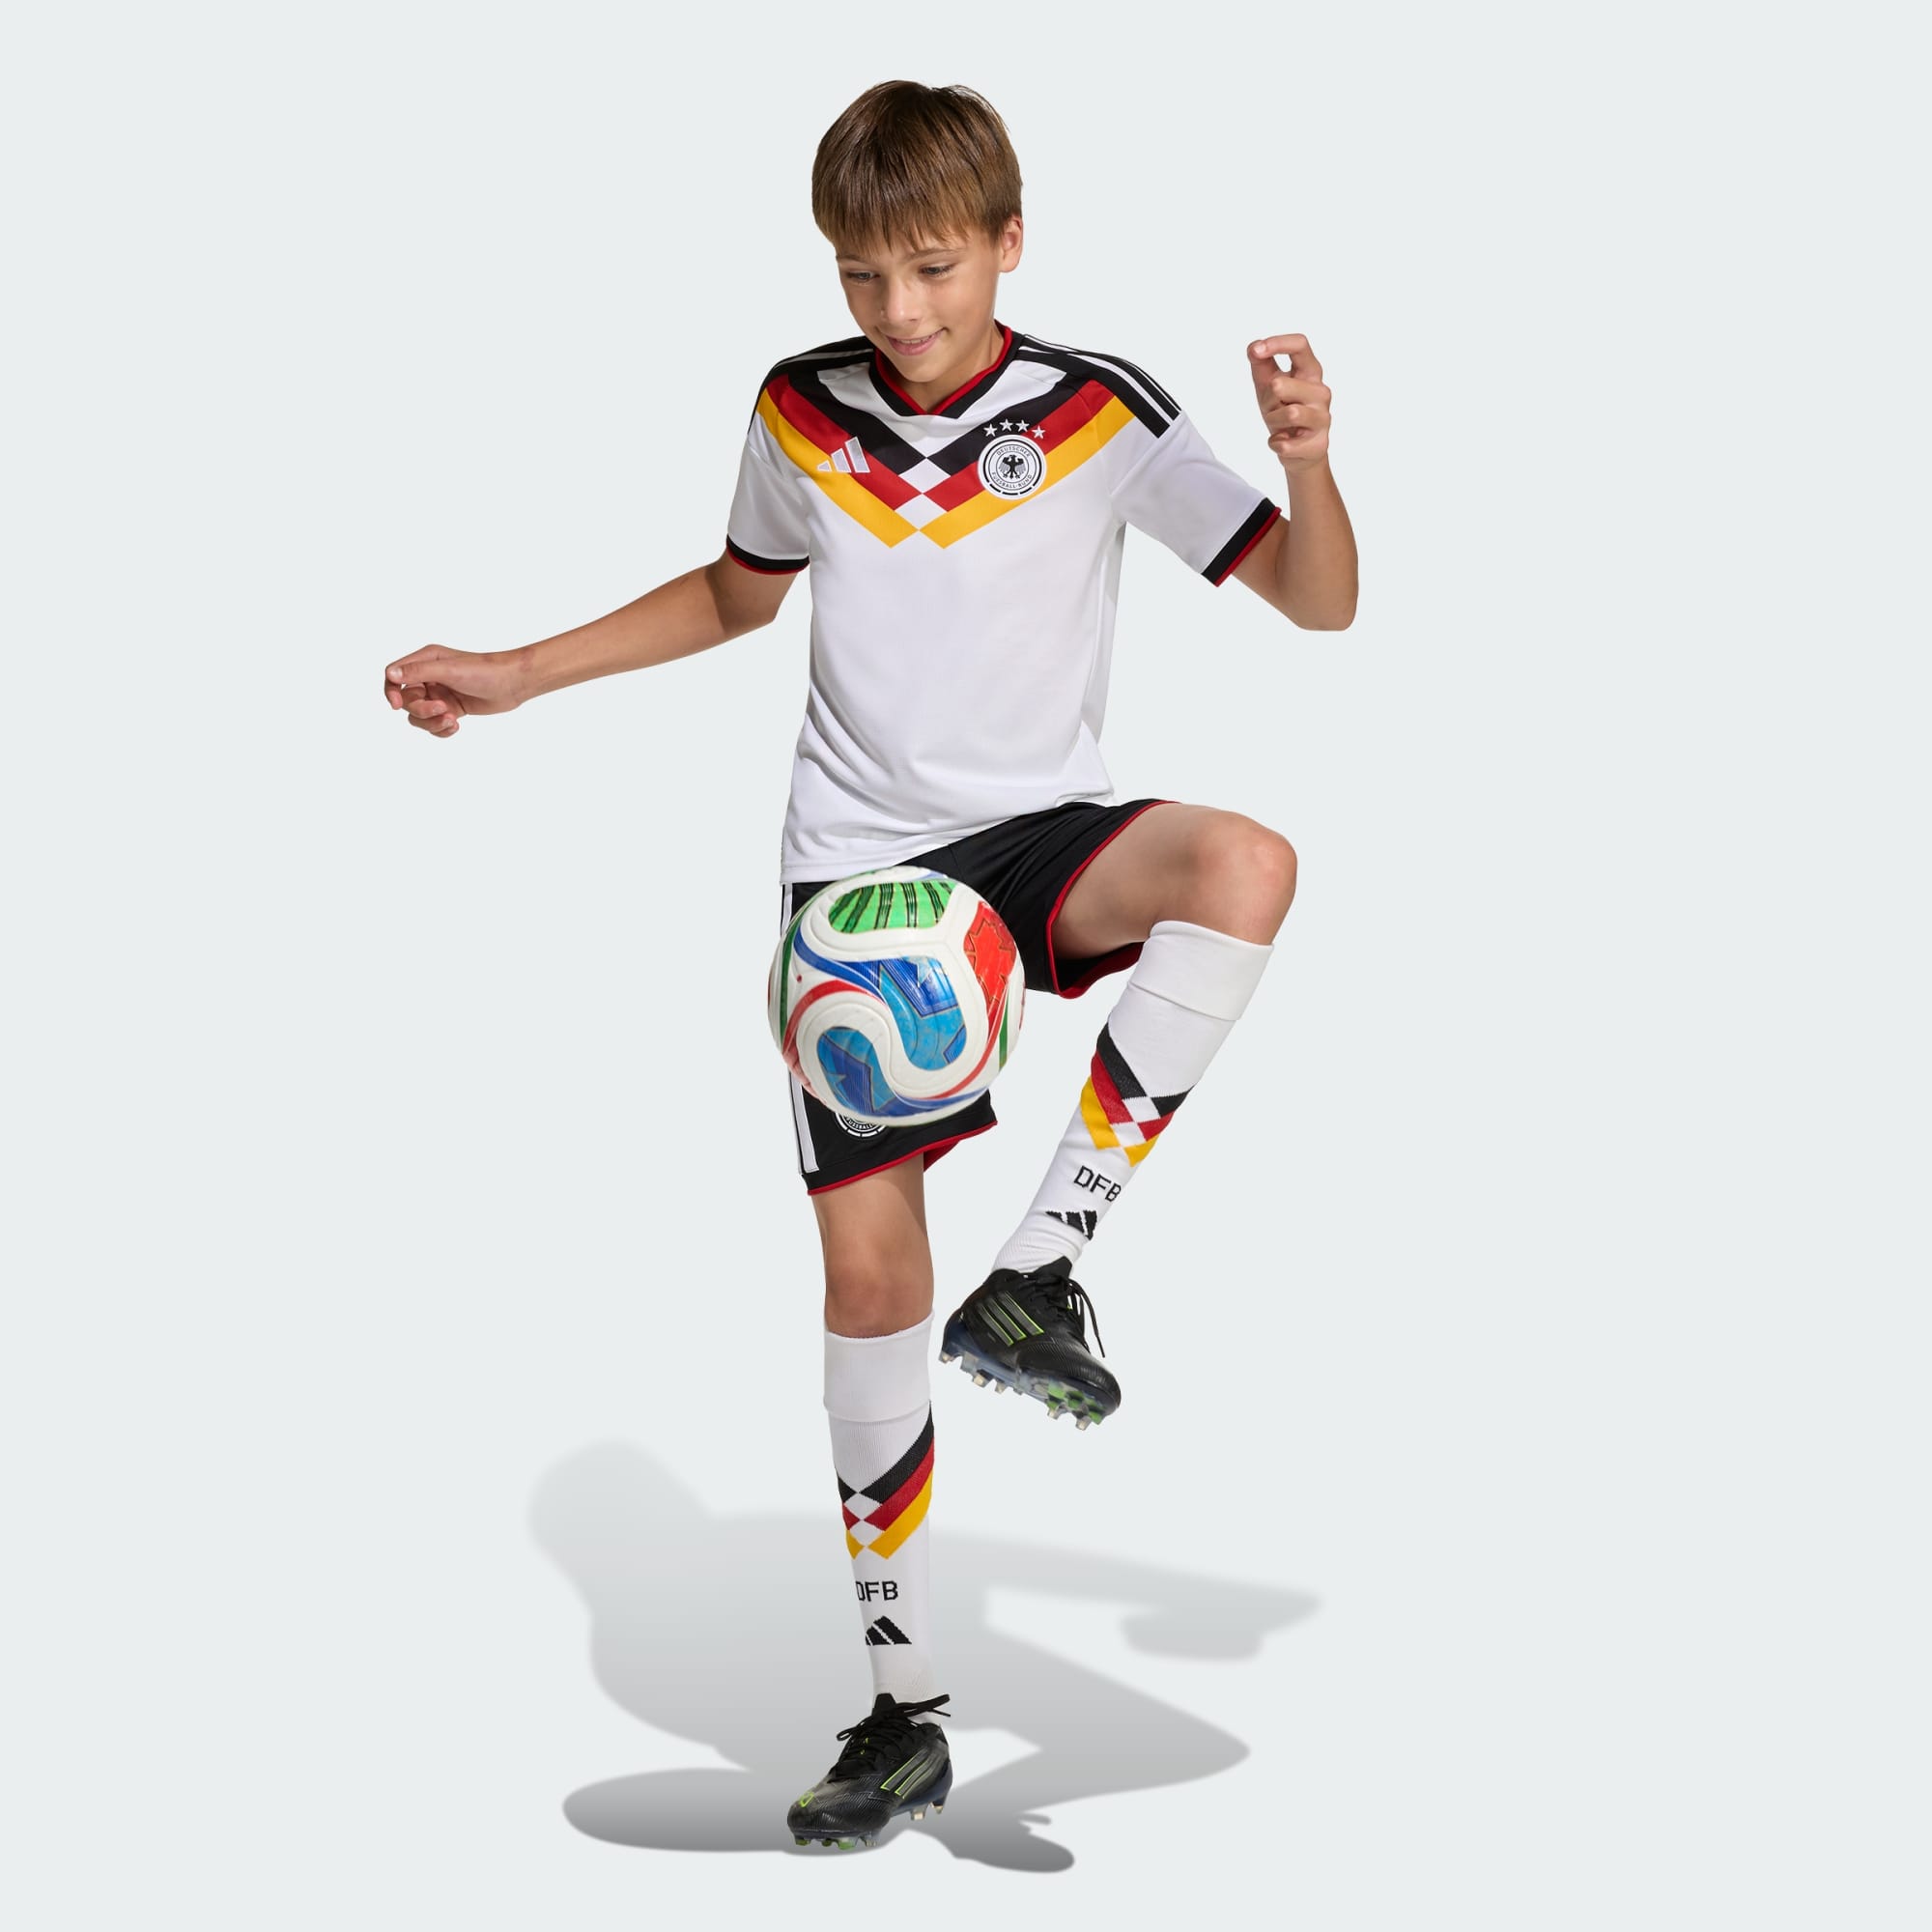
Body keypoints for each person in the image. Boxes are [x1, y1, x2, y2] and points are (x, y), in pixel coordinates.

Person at [383, 79, 1356, 1853]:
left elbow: (1317, 597)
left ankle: (1040, 1270)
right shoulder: (798, 408)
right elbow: (735, 595)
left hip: (1041, 833)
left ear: (1006, 243)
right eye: (862, 274)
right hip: (858, 891)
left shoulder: (1099, 410)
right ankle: (904, 1711)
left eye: (933, 266)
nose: (900, 309)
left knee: (1247, 862)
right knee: (865, 1285)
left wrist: (1306, 457)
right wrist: (520, 673)